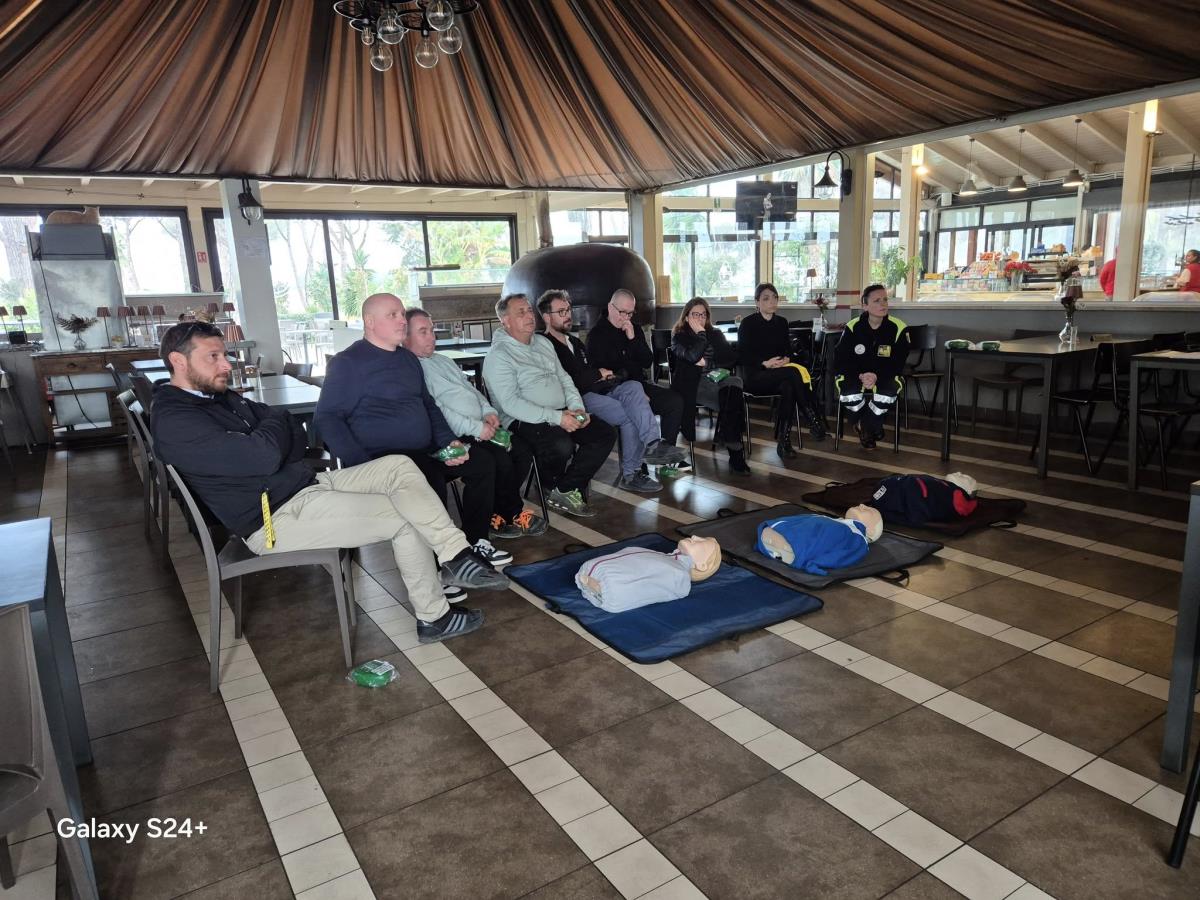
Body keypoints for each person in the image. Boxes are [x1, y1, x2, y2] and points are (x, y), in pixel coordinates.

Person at [150, 321, 507, 645]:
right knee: (406, 517)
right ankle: (435, 617)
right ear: (178, 361)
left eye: (224, 354)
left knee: (399, 466)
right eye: (213, 356)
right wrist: (271, 435)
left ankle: (456, 555)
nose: (226, 364)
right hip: (272, 519)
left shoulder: (217, 397)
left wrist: (268, 435)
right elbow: (267, 451)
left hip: (306, 485)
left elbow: (290, 427)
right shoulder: (176, 420)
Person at [316, 293, 513, 568]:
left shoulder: (406, 359)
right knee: (428, 477)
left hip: (423, 450)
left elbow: (429, 406)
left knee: (481, 462)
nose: (401, 321)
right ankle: (441, 565)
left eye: (401, 314)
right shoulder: (348, 363)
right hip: (382, 459)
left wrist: (449, 442)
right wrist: (362, 465)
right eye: (393, 315)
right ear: (370, 322)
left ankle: (475, 541)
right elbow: (327, 418)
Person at [404, 307, 548, 541]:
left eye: (432, 330)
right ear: (405, 336)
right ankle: (507, 513)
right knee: (496, 459)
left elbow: (472, 391)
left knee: (521, 450)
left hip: (479, 426)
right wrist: (476, 428)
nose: (432, 337)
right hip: (454, 435)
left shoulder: (443, 360)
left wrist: (488, 411)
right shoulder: (413, 369)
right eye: (423, 332)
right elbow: (438, 411)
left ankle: (499, 511)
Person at [536, 289, 686, 494]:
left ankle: (653, 444)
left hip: (602, 388)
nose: (568, 315)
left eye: (568, 310)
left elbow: (643, 362)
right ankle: (631, 473)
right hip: (578, 399)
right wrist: (598, 374)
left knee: (635, 388)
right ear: (546, 317)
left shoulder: (575, 343)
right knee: (631, 410)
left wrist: (604, 375)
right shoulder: (544, 345)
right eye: (561, 312)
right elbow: (563, 382)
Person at [483, 293, 616, 518]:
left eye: (529, 310)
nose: (529, 316)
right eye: (521, 312)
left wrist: (577, 408)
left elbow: (565, 379)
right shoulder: (499, 356)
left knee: (604, 433)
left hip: (561, 412)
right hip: (522, 420)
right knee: (561, 443)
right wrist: (558, 418)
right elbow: (511, 404)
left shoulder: (543, 343)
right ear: (505, 321)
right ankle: (550, 483)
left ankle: (564, 489)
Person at [586, 289, 688, 469]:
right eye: (622, 312)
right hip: (616, 390)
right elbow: (605, 375)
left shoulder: (635, 329)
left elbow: (647, 361)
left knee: (674, 401)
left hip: (639, 384)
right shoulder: (596, 335)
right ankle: (640, 464)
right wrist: (636, 389)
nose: (626, 317)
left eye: (630, 313)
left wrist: (633, 339)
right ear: (610, 307)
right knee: (635, 401)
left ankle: (663, 457)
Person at [737, 282, 826, 459]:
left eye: (775, 298)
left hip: (779, 374)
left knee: (789, 386)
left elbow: (787, 351)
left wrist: (787, 359)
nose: (772, 301)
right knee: (792, 375)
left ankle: (784, 442)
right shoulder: (747, 324)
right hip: (755, 376)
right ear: (757, 302)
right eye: (766, 298)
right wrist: (765, 363)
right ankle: (812, 418)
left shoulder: (782, 323)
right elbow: (742, 356)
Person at [670, 297, 750, 475]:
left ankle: (727, 435)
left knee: (735, 383)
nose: (700, 318)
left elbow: (731, 358)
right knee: (731, 400)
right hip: (693, 384)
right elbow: (691, 357)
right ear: (686, 317)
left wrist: (714, 362)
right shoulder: (679, 336)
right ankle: (736, 453)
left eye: (703, 315)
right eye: (695, 314)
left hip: (716, 379)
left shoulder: (714, 333)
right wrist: (701, 335)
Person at [834, 284, 909, 450]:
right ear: (865, 306)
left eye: (885, 300)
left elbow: (898, 362)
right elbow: (842, 358)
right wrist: (861, 375)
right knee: (850, 394)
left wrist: (876, 375)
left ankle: (865, 426)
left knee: (887, 393)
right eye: (877, 301)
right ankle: (873, 426)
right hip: (856, 375)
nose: (883, 304)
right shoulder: (852, 327)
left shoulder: (899, 328)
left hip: (886, 375)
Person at [756, 505, 883, 575]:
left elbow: (842, 557)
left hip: (793, 544)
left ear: (871, 531)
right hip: (780, 533)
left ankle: (771, 544)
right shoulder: (836, 521)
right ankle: (772, 544)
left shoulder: (859, 540)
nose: (862, 505)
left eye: (869, 510)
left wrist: (817, 563)